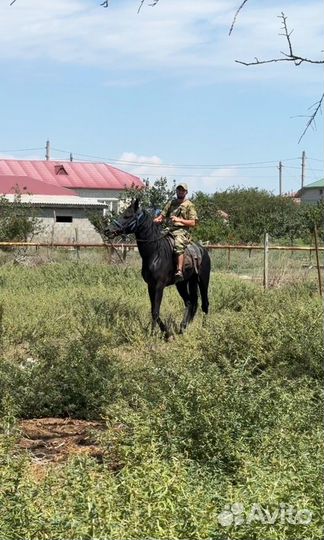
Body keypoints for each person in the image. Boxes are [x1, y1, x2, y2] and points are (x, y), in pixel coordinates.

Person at [153, 183, 198, 282]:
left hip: (182, 231)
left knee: (178, 244)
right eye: (178, 190)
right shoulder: (171, 203)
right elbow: (162, 216)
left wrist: (179, 220)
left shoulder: (189, 205)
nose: (180, 192)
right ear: (176, 191)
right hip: (169, 229)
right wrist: (156, 220)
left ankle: (179, 271)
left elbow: (193, 222)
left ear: (186, 192)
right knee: (157, 239)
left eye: (182, 190)